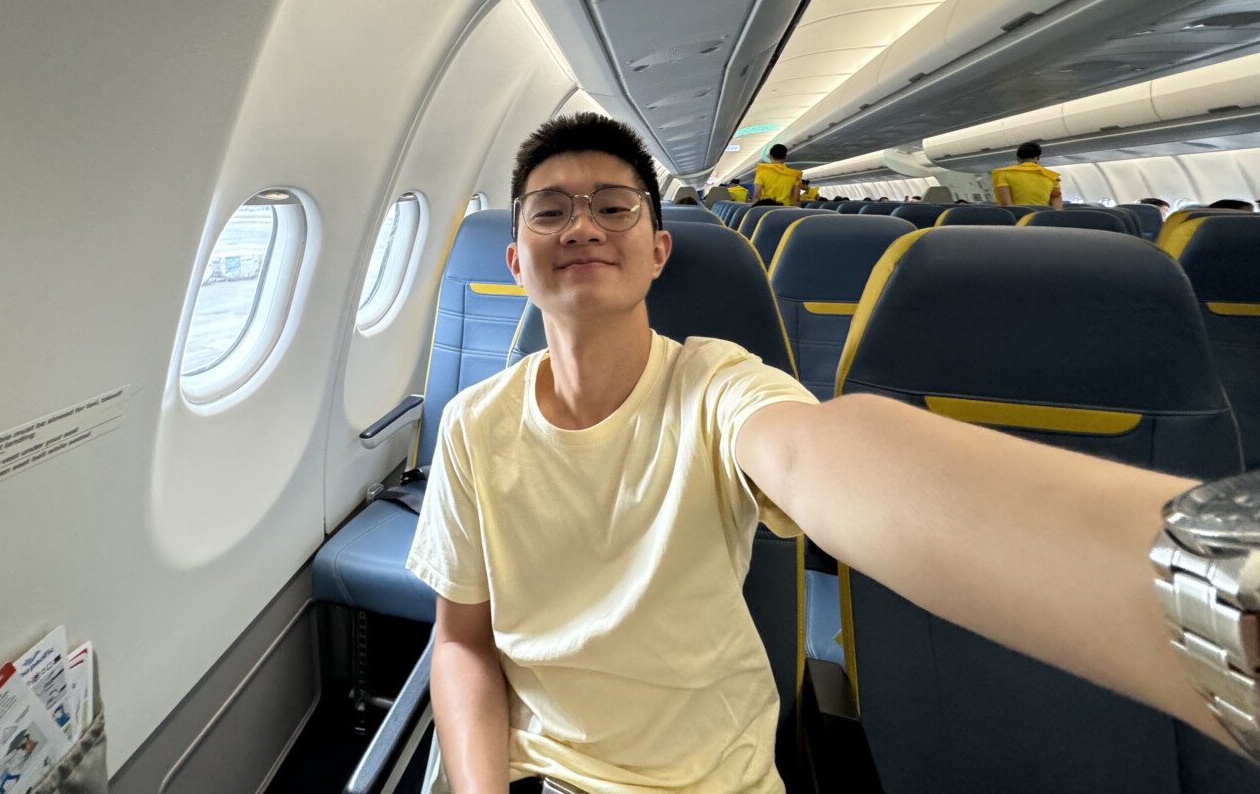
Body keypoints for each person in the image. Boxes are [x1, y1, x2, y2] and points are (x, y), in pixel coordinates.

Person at [414, 114, 1244, 794]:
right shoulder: (474, 425)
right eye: (550, 209)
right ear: (517, 259)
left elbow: (819, 458)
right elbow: (460, 643)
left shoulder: (717, 386)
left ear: (659, 251)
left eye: (615, 205)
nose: (583, 225)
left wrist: (1212, 584)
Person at [991, 141, 1063, 208]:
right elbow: (1057, 207)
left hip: (1017, 218)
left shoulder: (1003, 173)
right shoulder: (1052, 176)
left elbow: (1006, 204)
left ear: (1017, 157)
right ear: (1039, 157)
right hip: (1043, 218)